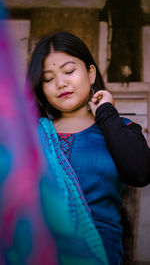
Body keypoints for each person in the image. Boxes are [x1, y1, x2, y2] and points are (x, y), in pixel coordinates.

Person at [27, 31, 150, 265]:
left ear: (91, 73)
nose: (61, 83)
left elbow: (140, 172)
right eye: (48, 78)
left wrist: (106, 113)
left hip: (99, 252)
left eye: (69, 71)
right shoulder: (33, 134)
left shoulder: (121, 128)